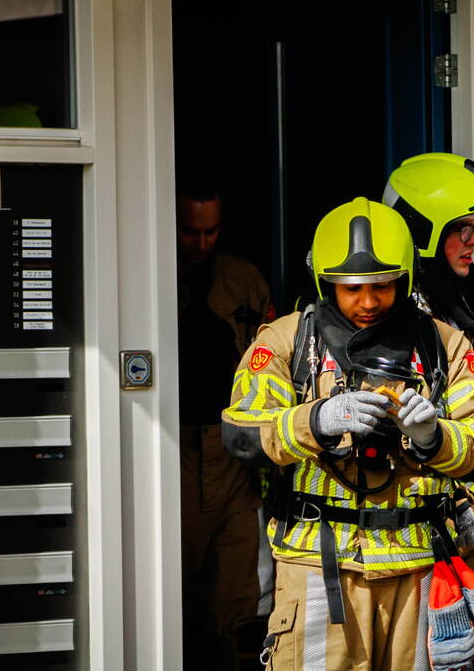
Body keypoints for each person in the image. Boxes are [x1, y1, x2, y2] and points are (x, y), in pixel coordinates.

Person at [222, 197, 474, 670]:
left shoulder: (442, 342)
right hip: (318, 567)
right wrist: (316, 420)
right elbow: (240, 435)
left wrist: (433, 437)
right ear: (325, 281)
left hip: (420, 563)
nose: (368, 302)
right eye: (351, 288)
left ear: (404, 279)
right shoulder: (285, 341)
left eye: (383, 286)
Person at [385, 152, 474, 671]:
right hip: (409, 527)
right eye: (462, 227)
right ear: (422, 229)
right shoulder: (392, 318)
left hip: (470, 508)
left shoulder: (456, 303)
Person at [176, 176, 272, 670]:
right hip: (170, 447)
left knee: (236, 601)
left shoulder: (244, 280)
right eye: (191, 232)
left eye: (211, 232)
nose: (201, 243)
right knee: (174, 593)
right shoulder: (147, 269)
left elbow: (276, 356)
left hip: (232, 451)